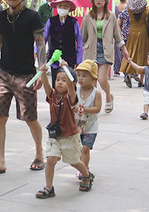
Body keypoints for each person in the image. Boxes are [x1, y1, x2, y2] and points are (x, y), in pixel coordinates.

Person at [0, 0, 46, 177]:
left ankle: (39, 153)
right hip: (3, 73)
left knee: (30, 117)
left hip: (26, 74)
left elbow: (40, 43)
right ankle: (0, 162)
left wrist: (42, 71)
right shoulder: (0, 17)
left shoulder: (33, 16)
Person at [35, 66, 94, 198]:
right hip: (55, 136)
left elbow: (72, 89)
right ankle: (49, 187)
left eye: (64, 80)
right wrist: (43, 72)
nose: (60, 82)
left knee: (74, 161)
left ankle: (86, 175)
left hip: (69, 136)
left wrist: (66, 68)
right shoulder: (52, 96)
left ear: (71, 84)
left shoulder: (70, 98)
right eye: (57, 80)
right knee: (50, 159)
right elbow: (45, 84)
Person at [81, 0, 129, 113]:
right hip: (91, 50)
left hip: (106, 50)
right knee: (92, 81)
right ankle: (94, 104)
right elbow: (82, 36)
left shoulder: (111, 16)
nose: (99, 0)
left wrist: (124, 49)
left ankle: (108, 96)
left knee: (102, 79)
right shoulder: (87, 16)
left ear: (105, 1)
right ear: (93, 0)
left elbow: (117, 34)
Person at [74, 59, 102, 176]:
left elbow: (97, 109)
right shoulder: (75, 90)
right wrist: (75, 108)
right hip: (76, 127)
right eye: (79, 75)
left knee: (85, 148)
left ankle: (84, 170)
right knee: (78, 149)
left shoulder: (96, 93)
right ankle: (83, 166)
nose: (80, 78)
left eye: (84, 76)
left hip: (91, 127)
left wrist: (84, 109)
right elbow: (71, 103)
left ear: (93, 78)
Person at [120, 0, 149, 89]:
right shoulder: (146, 9)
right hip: (143, 33)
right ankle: (141, 80)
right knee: (142, 54)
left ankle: (128, 74)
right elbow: (148, 22)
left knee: (131, 52)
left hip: (131, 32)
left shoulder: (130, 8)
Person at [44, 0, 82, 70]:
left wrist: (79, 61)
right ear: (57, 6)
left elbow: (79, 41)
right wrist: (37, 53)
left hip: (69, 60)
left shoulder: (74, 22)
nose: (62, 8)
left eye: (65, 6)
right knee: (56, 80)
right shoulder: (51, 21)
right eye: (60, 5)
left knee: (69, 79)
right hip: (54, 60)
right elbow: (43, 38)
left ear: (69, 8)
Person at [114, 0, 129, 71]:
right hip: (126, 31)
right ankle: (125, 68)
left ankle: (117, 68)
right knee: (125, 50)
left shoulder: (116, 7)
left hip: (117, 31)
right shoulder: (127, 8)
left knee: (117, 50)